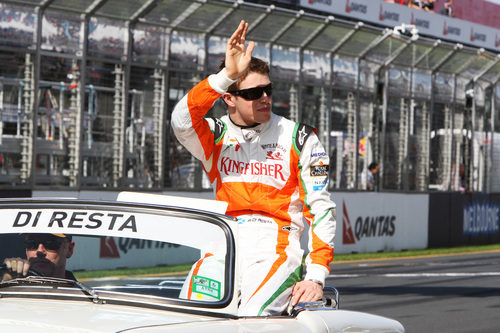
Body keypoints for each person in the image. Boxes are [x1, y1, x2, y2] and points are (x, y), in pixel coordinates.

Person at [171, 20, 336, 316]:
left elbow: (322, 209)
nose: (264, 98)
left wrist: (316, 275)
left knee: (251, 316)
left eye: (268, 89)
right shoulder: (215, 134)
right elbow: (180, 121)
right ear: (229, 99)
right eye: (252, 93)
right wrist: (225, 76)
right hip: (223, 245)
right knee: (189, 315)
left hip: (277, 249)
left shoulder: (300, 138)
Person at [2, 233, 76, 281]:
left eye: (50, 244)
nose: (39, 251)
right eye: (31, 244)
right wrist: (7, 282)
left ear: (69, 249)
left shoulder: (84, 297)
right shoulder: (13, 288)